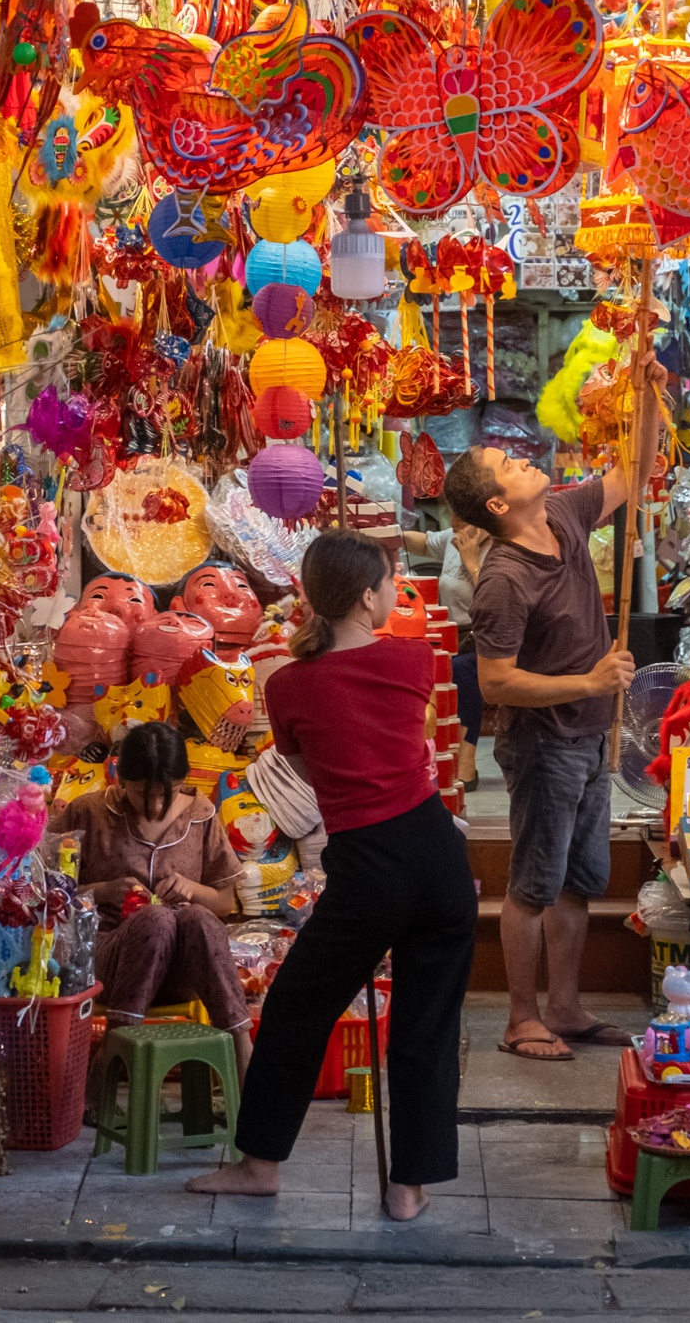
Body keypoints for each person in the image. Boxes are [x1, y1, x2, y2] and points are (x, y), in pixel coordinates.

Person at [189, 530, 476, 1222]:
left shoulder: (285, 684)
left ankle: (261, 1162)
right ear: (368, 596)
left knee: (295, 1009)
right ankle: (409, 1185)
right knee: (425, 1025)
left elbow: (314, 775)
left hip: (367, 863)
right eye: (387, 581)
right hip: (437, 855)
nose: (391, 592)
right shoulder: (414, 657)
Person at [442, 402, 655, 1063]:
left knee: (580, 880)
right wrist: (590, 683)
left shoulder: (561, 513)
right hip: (546, 745)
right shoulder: (504, 579)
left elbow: (632, 472)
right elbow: (498, 682)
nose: (522, 455)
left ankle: (565, 1005)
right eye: (508, 463)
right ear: (501, 504)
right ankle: (521, 1016)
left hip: (591, 738)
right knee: (534, 883)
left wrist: (647, 395)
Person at [63, 721, 254, 1078]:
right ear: (119, 777)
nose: (154, 805)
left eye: (167, 793)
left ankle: (243, 1052)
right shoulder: (88, 813)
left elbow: (225, 902)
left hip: (184, 967)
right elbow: (49, 892)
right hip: (109, 961)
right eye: (140, 794)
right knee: (156, 919)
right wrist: (103, 890)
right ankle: (114, 1052)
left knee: (196, 918)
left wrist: (192, 890)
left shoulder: (202, 817)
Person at [401, 517, 491, 787]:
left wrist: (472, 560)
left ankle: (467, 763)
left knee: (462, 671)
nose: (452, 519)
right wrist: (388, 532)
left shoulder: (498, 546)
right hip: (453, 636)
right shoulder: (455, 536)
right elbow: (426, 542)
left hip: (485, 635)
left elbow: (494, 598)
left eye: (459, 512)